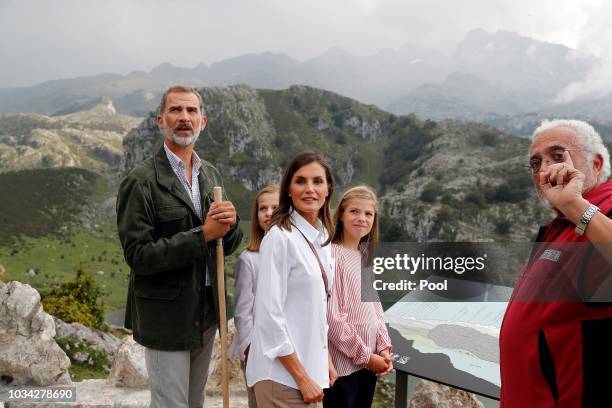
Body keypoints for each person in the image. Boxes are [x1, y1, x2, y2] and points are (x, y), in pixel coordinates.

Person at [116, 85, 243, 408]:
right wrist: (203, 234)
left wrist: (231, 225)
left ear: (203, 121)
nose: (184, 118)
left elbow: (225, 245)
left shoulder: (209, 174)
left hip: (205, 313)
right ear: (161, 120)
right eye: (175, 111)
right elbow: (139, 256)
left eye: (191, 111)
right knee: (172, 404)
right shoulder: (141, 181)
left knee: (194, 402)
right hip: (166, 317)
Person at [499, 119, 612, 407]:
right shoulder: (560, 223)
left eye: (557, 156)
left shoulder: (605, 210)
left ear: (596, 164)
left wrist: (575, 205)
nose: (545, 169)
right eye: (536, 163)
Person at [246, 151, 338, 407]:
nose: (310, 189)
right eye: (300, 181)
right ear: (288, 189)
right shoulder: (279, 238)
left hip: (308, 373)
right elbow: (268, 316)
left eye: (317, 182)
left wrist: (324, 361)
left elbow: (313, 311)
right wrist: (302, 377)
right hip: (282, 378)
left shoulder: (321, 239)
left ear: (328, 189)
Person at [324, 186, 393, 408]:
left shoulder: (364, 257)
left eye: (368, 214)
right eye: (354, 211)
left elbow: (376, 310)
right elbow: (332, 319)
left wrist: (383, 347)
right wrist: (366, 356)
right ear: (341, 215)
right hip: (344, 369)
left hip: (368, 364)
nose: (361, 218)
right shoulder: (332, 255)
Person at [229, 184, 280, 408]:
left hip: (289, 349)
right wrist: (250, 350)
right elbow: (242, 312)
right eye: (263, 208)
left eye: (275, 207)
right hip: (258, 350)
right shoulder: (249, 259)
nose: (268, 213)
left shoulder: (296, 254)